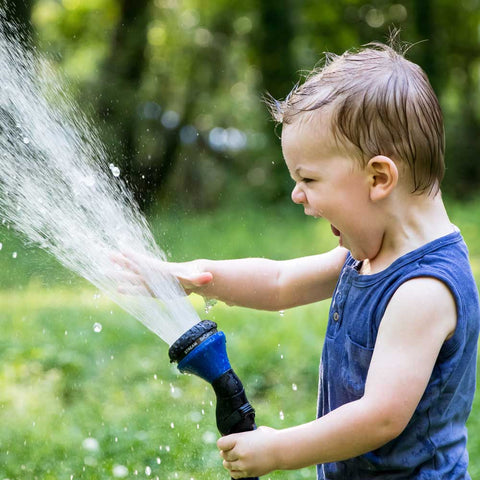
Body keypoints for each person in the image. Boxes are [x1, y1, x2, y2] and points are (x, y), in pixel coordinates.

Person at [115, 40, 480, 479]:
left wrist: (279, 450)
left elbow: (382, 415)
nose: (297, 194)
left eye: (308, 178)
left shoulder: (423, 290)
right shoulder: (366, 255)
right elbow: (280, 281)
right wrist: (198, 278)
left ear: (379, 177)